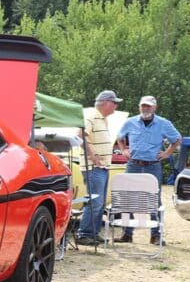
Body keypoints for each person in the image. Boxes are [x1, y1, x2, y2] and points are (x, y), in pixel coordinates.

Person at [114, 95, 182, 244]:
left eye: (148, 106)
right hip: (133, 164)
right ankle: (127, 233)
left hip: (153, 165)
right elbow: (120, 137)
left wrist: (167, 153)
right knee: (128, 197)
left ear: (154, 107)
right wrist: (124, 149)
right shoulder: (130, 122)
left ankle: (156, 235)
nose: (145, 108)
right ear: (139, 107)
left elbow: (177, 139)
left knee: (154, 198)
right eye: (143, 106)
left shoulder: (163, 123)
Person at [76, 90, 121, 246]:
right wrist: (93, 156)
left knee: (99, 202)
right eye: (114, 103)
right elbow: (80, 136)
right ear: (106, 102)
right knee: (95, 201)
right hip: (93, 167)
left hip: (102, 167)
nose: (115, 106)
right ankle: (84, 234)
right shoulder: (91, 116)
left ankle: (93, 233)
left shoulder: (102, 118)